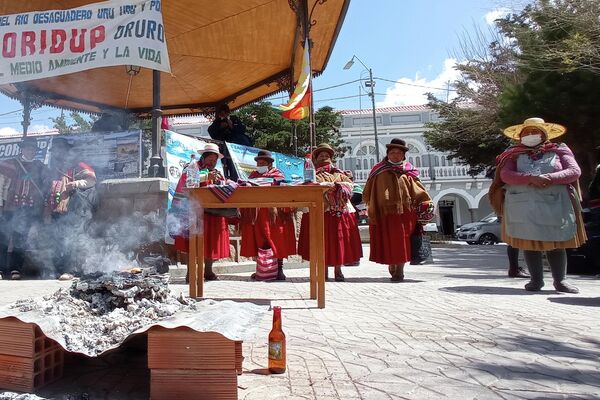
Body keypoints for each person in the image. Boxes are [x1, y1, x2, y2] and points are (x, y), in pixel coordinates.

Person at [489, 117, 587, 293]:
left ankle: (560, 281)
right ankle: (536, 281)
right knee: (529, 241)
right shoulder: (512, 154)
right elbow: (505, 175)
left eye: (535, 132)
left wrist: (550, 178)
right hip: (523, 204)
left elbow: (574, 171)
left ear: (544, 134)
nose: (530, 135)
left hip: (555, 203)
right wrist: (529, 178)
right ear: (519, 136)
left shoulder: (560, 150)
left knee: (556, 241)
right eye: (526, 133)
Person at [363, 139, 434, 281]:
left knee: (403, 242)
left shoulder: (410, 171)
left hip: (406, 213)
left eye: (399, 153)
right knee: (389, 242)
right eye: (392, 152)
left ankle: (400, 270)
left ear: (404, 155)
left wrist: (426, 204)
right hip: (385, 214)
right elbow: (368, 192)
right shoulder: (378, 170)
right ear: (388, 154)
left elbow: (419, 191)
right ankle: (392, 265)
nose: (395, 155)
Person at [297, 143, 362, 281]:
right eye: (321, 155)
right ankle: (323, 270)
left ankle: (338, 270)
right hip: (320, 212)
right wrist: (326, 187)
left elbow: (350, 186)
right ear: (316, 158)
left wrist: (339, 187)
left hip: (339, 213)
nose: (324, 158)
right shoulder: (312, 173)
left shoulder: (340, 173)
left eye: (327, 155)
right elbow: (309, 187)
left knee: (339, 241)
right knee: (322, 242)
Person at [171, 143, 230, 281]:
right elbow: (187, 184)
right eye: (210, 159)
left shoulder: (217, 173)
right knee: (191, 241)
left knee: (211, 240)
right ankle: (190, 273)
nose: (212, 162)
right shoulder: (192, 167)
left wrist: (221, 181)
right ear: (203, 158)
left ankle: (208, 271)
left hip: (211, 212)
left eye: (215, 160)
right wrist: (206, 177)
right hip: (192, 211)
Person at [44, 137, 97, 280]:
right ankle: (57, 270)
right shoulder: (52, 169)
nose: (58, 153)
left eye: (60, 150)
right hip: (57, 209)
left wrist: (75, 184)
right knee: (57, 239)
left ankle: (71, 270)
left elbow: (91, 180)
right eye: (55, 151)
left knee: (72, 239)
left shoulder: (78, 165)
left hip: (74, 209)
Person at [240, 150, 296, 280]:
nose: (260, 165)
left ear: (270, 164)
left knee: (277, 240)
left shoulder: (278, 175)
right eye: (258, 163)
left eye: (263, 163)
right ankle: (262, 269)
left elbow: (284, 191)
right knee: (259, 241)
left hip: (274, 214)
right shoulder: (252, 176)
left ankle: (279, 269)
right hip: (258, 214)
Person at [0, 138, 48, 280]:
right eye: (27, 148)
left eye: (33, 149)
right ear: (22, 149)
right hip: (9, 207)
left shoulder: (40, 167)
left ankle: (16, 269)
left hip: (28, 209)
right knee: (3, 237)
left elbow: (47, 184)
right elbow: (1, 185)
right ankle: (1, 269)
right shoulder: (9, 164)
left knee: (20, 239)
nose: (30, 151)